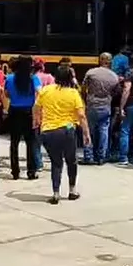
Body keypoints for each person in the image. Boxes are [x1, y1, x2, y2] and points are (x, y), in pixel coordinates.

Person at [34, 65, 91, 205]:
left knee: (56, 163)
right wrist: (86, 133)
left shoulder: (45, 90)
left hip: (48, 131)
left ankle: (55, 193)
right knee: (71, 161)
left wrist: (37, 121)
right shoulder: (73, 93)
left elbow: (36, 107)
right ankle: (72, 190)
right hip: (67, 130)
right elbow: (81, 116)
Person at [4, 55, 41, 180]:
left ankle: (15, 171)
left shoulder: (9, 78)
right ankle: (31, 171)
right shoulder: (33, 78)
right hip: (29, 111)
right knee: (30, 142)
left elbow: (7, 94)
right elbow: (40, 93)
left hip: (14, 111)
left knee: (14, 142)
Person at [81, 52, 119, 165]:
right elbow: (116, 92)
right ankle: (102, 156)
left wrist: (85, 99)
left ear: (100, 60)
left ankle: (89, 156)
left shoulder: (91, 72)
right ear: (110, 61)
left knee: (88, 131)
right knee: (104, 131)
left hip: (92, 104)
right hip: (106, 105)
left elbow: (83, 88)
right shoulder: (114, 76)